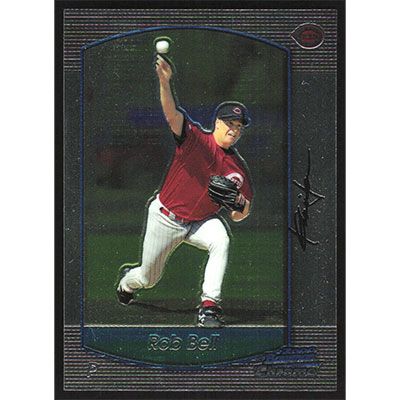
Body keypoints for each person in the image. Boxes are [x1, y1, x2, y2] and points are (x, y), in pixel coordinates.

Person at [116, 55, 254, 328]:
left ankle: (209, 306)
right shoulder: (195, 140)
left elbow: (240, 214)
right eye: (230, 124)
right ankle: (126, 282)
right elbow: (172, 114)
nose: (235, 130)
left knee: (221, 240)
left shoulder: (236, 168)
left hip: (200, 221)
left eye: (239, 127)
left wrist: (240, 204)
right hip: (166, 218)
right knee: (148, 278)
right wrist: (164, 82)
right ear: (217, 123)